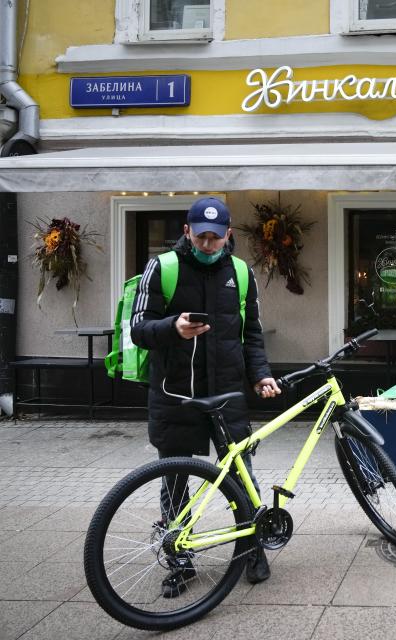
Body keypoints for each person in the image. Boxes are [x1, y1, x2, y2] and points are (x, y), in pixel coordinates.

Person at [131, 196, 281, 596]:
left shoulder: (241, 273)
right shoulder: (162, 268)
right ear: (187, 232)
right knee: (176, 481)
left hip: (228, 394)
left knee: (242, 477)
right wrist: (171, 328)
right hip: (175, 395)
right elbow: (138, 329)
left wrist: (261, 376)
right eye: (202, 237)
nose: (210, 244)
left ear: (229, 234)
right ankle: (180, 559)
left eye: (217, 237)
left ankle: (250, 548)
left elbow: (251, 334)